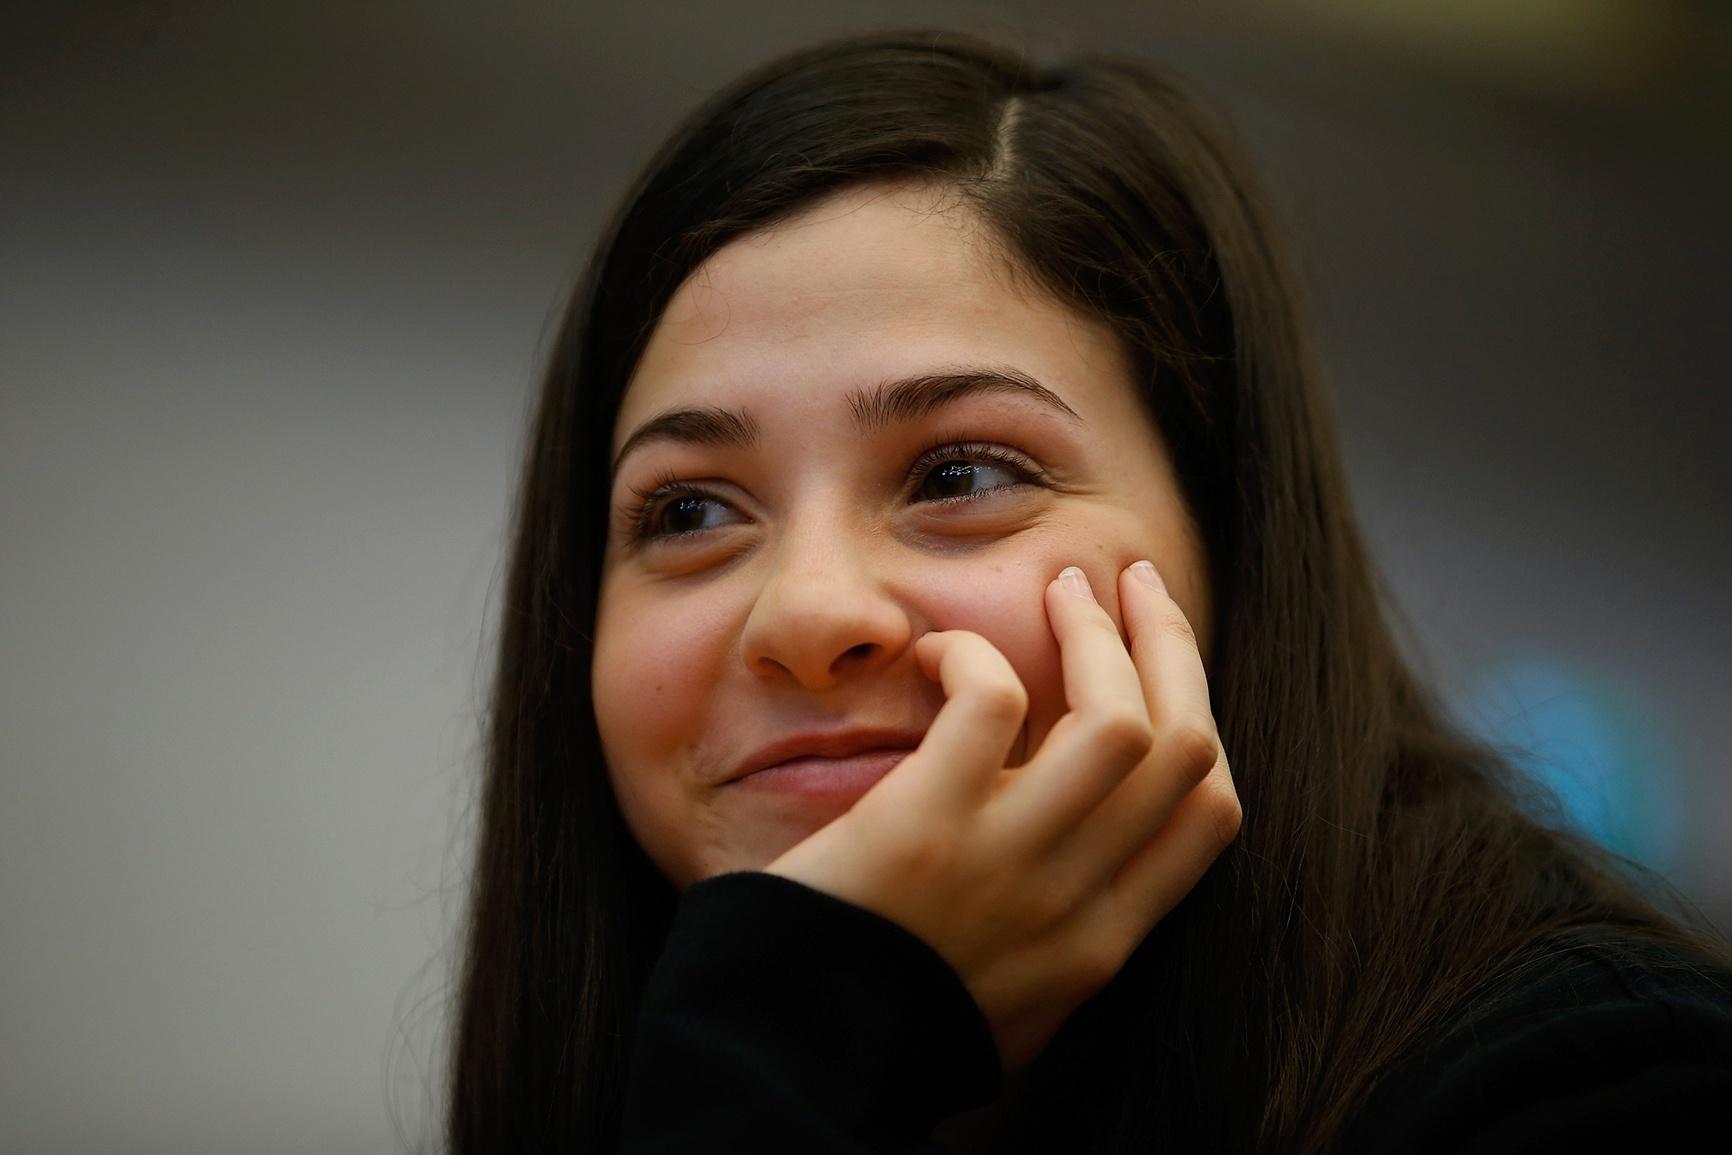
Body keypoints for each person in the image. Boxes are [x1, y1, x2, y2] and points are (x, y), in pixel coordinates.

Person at [443, 26, 1732, 1154]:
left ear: (1229, 537)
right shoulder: (625, 1064)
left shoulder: (1600, 1080)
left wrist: (789, 1046)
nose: (808, 615)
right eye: (691, 510)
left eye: (957, 473)